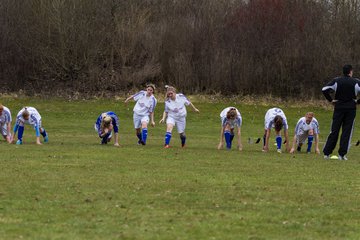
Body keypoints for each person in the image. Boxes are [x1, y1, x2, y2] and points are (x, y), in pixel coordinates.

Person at [322, 64, 360, 160]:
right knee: (347, 131)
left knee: (334, 130)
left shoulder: (337, 80)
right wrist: (358, 102)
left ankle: (327, 153)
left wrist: (331, 100)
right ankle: (342, 155)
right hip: (351, 109)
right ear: (350, 71)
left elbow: (324, 89)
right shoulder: (356, 82)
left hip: (338, 108)